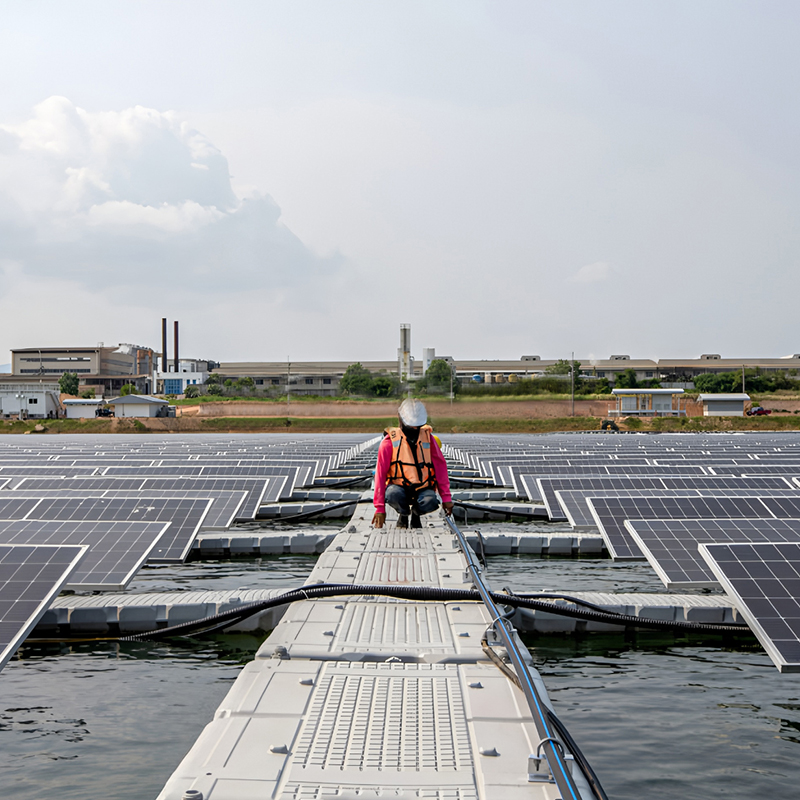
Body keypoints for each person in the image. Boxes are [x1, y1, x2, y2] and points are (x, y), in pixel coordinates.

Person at [372, 398, 454, 528]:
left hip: (423, 488)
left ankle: (416, 514)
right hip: (399, 487)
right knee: (392, 494)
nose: (414, 429)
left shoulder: (429, 440)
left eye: (417, 426)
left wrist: (446, 498)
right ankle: (403, 514)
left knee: (431, 501)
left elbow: (440, 468)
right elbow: (380, 475)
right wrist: (380, 508)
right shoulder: (388, 443)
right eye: (411, 426)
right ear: (401, 420)